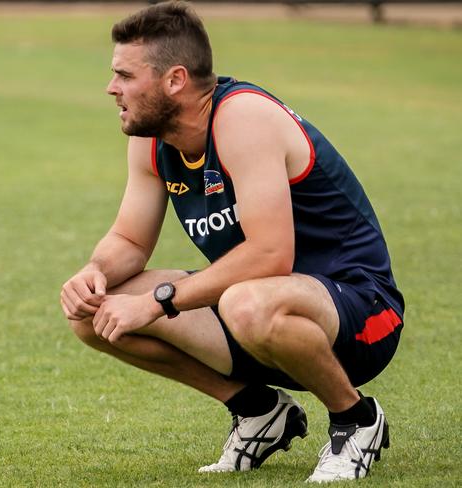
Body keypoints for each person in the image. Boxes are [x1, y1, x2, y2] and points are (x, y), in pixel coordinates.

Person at [60, 1, 404, 482]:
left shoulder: (242, 117)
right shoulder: (152, 136)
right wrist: (94, 273)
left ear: (174, 80)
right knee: (97, 312)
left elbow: (270, 254)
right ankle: (259, 410)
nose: (111, 87)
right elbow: (129, 239)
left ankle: (355, 418)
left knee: (246, 301)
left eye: (124, 75)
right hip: (259, 304)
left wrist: (159, 303)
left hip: (362, 312)